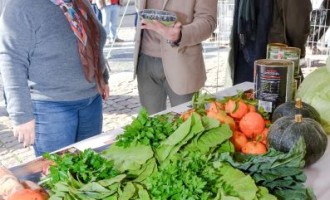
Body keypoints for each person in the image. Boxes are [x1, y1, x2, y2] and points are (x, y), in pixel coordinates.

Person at [0, 0, 110, 157]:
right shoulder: (20, 6)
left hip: (91, 101)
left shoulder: (78, 1)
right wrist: (21, 115)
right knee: (58, 173)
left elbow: (94, 40)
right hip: (50, 108)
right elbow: (11, 61)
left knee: (89, 166)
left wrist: (103, 77)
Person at [133, 0, 218, 114]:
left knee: (186, 124)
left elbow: (208, 21)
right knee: (150, 124)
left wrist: (180, 35)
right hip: (145, 60)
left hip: (183, 62)